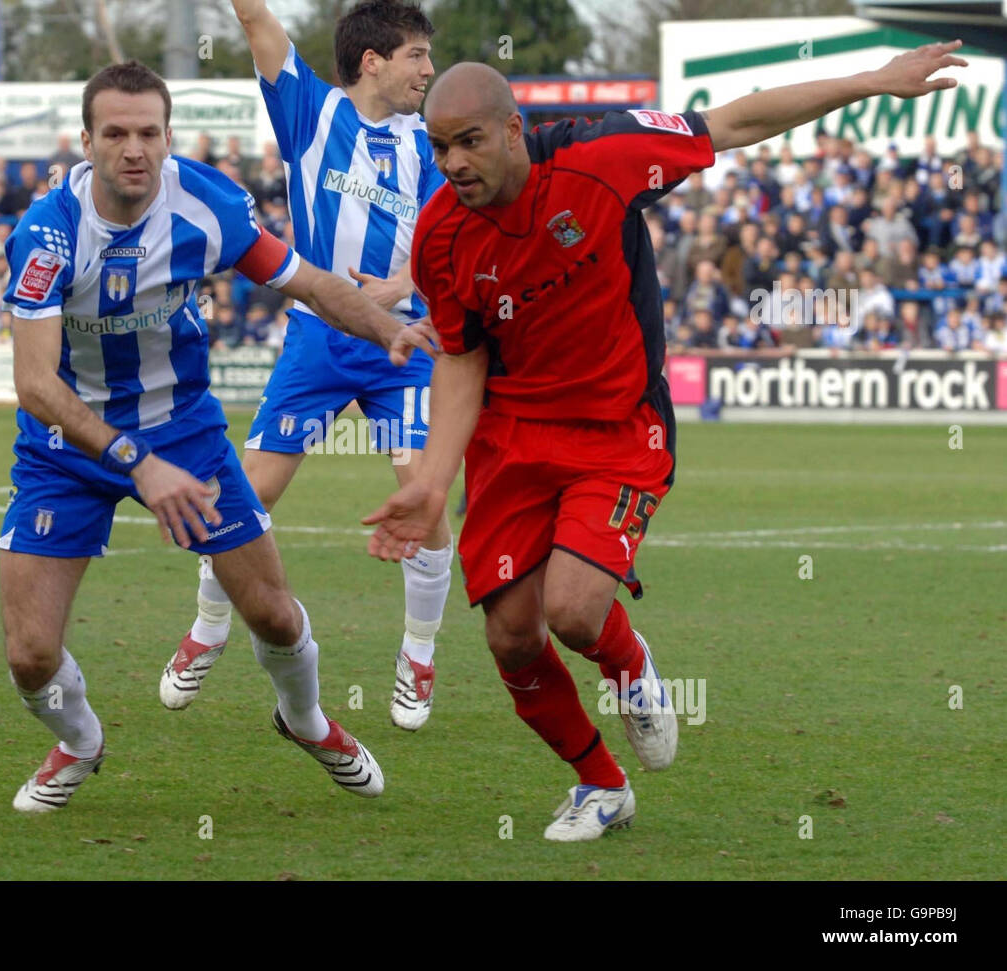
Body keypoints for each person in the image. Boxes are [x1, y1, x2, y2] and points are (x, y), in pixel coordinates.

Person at [364, 43, 967, 841]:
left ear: (514, 130)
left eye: (469, 141)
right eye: (439, 147)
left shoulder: (602, 156)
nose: (452, 162)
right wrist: (434, 483)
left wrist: (870, 82)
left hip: (618, 423)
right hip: (514, 434)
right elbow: (463, 357)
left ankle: (633, 669)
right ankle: (601, 784)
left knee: (574, 611)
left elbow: (739, 118)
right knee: (512, 635)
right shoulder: (440, 236)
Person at [0, 59, 435, 812]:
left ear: (168, 139)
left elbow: (309, 281)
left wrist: (389, 328)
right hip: (68, 448)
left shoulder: (207, 203)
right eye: (115, 133)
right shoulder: (46, 233)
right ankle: (79, 741)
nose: (133, 149)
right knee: (30, 654)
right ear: (86, 140)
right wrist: (136, 463)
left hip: (186, 433)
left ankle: (306, 720)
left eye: (147, 133)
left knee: (272, 612)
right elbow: (36, 385)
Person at [161, 0, 451, 732]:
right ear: (372, 61)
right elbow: (257, 20)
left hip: (403, 345)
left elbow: (455, 242)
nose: (429, 69)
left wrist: (403, 285)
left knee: (425, 496)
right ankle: (209, 622)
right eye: (417, 55)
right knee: (246, 492)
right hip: (318, 335)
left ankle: (419, 653)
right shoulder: (310, 112)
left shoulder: (432, 143)